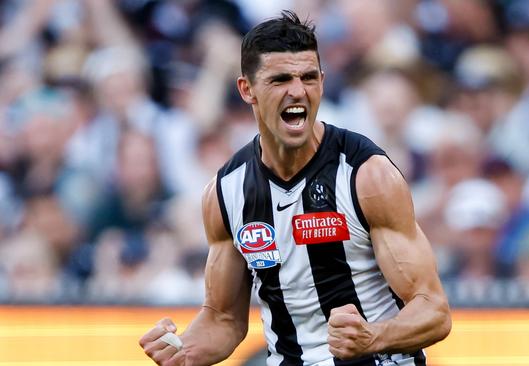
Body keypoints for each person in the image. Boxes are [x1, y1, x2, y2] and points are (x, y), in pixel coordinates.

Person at [139, 10, 451, 366]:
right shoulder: (226, 192)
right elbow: (223, 320)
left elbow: (434, 311)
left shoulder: (366, 175)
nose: (298, 91)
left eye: (308, 77)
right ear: (247, 89)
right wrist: (182, 351)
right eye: (281, 79)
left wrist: (373, 338)